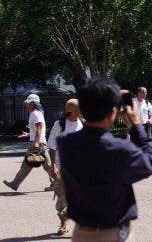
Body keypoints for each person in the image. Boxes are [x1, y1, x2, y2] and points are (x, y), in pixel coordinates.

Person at [57, 77, 152, 241]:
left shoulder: (66, 143)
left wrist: (104, 99)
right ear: (113, 112)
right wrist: (137, 125)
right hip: (114, 233)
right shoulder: (118, 148)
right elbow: (149, 163)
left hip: (81, 233)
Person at [47, 99, 83, 236]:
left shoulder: (83, 124)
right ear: (73, 111)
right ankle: (64, 222)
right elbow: (52, 145)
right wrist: (53, 166)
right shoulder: (60, 124)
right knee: (61, 200)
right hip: (62, 167)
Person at [3, 94, 53, 192]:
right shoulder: (35, 113)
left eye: (27, 103)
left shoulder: (35, 113)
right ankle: (15, 183)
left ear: (33, 103)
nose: (26, 104)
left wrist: (36, 142)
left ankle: (59, 183)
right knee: (27, 164)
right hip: (35, 142)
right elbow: (36, 130)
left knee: (47, 165)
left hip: (39, 143)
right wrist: (29, 134)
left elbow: (40, 127)